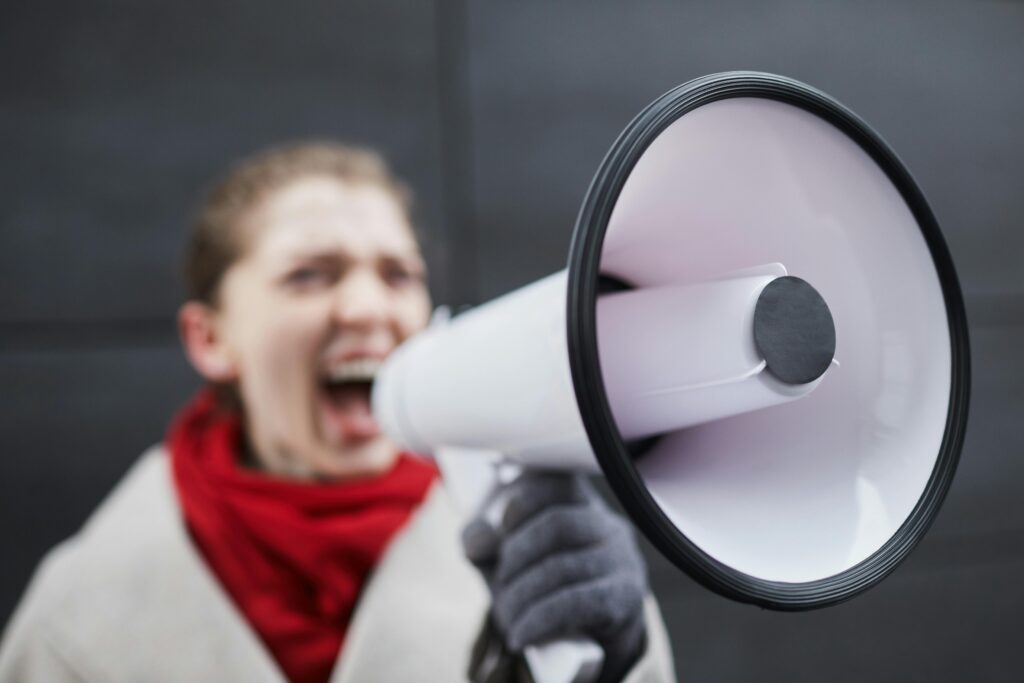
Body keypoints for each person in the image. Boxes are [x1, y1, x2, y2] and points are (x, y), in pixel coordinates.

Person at [0, 142, 676, 683]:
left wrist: (615, 656)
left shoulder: (544, 544)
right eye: (310, 274)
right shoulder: (76, 613)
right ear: (211, 337)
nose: (366, 308)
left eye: (398, 274)